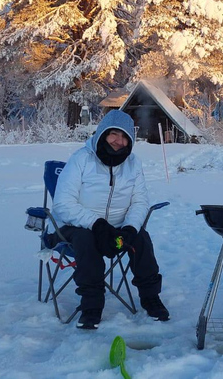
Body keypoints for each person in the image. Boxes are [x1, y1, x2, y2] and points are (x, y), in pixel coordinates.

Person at [53, 110, 169, 330]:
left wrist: (130, 229)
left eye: (125, 137)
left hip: (117, 229)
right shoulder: (81, 159)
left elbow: (139, 202)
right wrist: (97, 224)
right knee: (86, 240)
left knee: (141, 239)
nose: (119, 141)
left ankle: (151, 297)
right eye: (114, 134)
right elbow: (63, 204)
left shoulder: (133, 164)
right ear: (102, 134)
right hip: (75, 226)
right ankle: (91, 306)